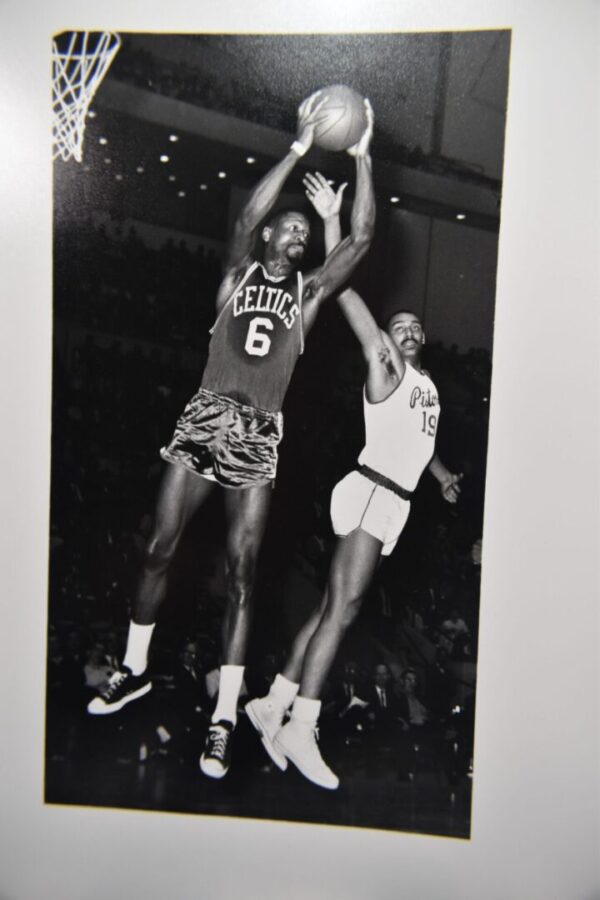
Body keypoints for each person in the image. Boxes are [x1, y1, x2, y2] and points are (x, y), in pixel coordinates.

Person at [87, 92, 376, 782]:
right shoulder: (236, 275)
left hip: (256, 433)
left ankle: (222, 721)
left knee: (245, 578)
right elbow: (247, 214)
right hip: (205, 413)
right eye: (289, 231)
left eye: (305, 237)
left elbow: (360, 241)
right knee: (159, 548)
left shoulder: (307, 299)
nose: (297, 238)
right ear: (268, 237)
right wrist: (300, 149)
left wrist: (363, 156)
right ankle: (134, 668)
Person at [245, 173, 462, 789]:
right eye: (400, 327)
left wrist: (443, 476)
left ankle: (274, 700)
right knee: (344, 611)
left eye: (417, 327)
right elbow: (346, 297)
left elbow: (422, 443)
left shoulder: (427, 388)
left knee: (329, 606)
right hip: (373, 492)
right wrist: (334, 226)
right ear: (386, 344)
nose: (410, 332)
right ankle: (301, 725)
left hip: (394, 496)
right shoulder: (386, 366)